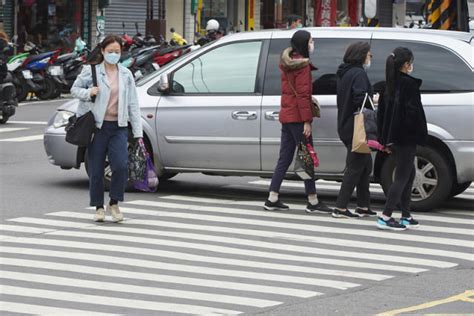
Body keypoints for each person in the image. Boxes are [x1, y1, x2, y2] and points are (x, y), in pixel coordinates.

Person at [71, 35, 143, 222]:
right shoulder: (92, 70)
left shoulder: (126, 74)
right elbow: (74, 89)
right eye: (110, 51)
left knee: (120, 166)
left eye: (117, 52)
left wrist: (137, 133)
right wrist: (89, 92)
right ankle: (98, 207)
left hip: (118, 127)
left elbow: (133, 104)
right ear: (102, 51)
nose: (113, 55)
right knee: (96, 170)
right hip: (97, 127)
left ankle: (114, 203)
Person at [264, 30, 331, 213]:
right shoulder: (302, 66)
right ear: (304, 44)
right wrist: (307, 121)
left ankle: (272, 197)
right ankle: (313, 201)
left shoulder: (288, 62)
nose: (313, 43)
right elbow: (302, 95)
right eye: (310, 41)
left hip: (287, 116)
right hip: (298, 119)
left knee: (284, 158)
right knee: (306, 158)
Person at [376, 47, 427, 231]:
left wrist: (385, 139)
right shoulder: (409, 85)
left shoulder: (389, 84)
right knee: (403, 176)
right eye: (411, 62)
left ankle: (406, 214)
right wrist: (420, 133)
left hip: (393, 137)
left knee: (409, 173)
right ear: (406, 65)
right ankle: (386, 216)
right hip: (406, 137)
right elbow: (414, 114)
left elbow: (382, 114)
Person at [332, 42, 378, 219]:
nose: (370, 57)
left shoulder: (345, 72)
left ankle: (363, 205)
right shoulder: (358, 73)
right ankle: (340, 207)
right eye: (369, 54)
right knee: (355, 167)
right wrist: (373, 99)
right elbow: (360, 97)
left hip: (346, 124)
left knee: (365, 166)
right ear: (361, 55)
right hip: (356, 127)